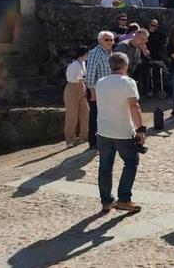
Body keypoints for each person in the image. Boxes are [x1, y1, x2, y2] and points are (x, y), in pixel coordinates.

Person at [95, 52, 146, 213]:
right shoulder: (128, 82)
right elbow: (134, 107)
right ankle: (124, 198)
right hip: (122, 130)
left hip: (103, 130)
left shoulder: (100, 82)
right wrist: (140, 130)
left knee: (105, 167)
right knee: (131, 162)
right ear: (126, 65)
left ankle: (106, 201)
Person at [86, 31, 115, 149]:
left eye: (111, 40)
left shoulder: (110, 53)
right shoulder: (95, 53)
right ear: (100, 41)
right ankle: (93, 142)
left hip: (108, 90)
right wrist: (92, 91)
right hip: (97, 90)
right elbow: (90, 73)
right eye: (106, 40)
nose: (110, 42)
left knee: (106, 115)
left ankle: (105, 139)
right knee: (95, 116)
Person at [64, 46, 90, 148]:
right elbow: (71, 78)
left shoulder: (83, 63)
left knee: (85, 113)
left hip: (81, 88)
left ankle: (84, 136)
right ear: (83, 54)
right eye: (87, 54)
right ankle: (69, 140)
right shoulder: (74, 64)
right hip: (72, 89)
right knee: (72, 115)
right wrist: (84, 79)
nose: (89, 56)